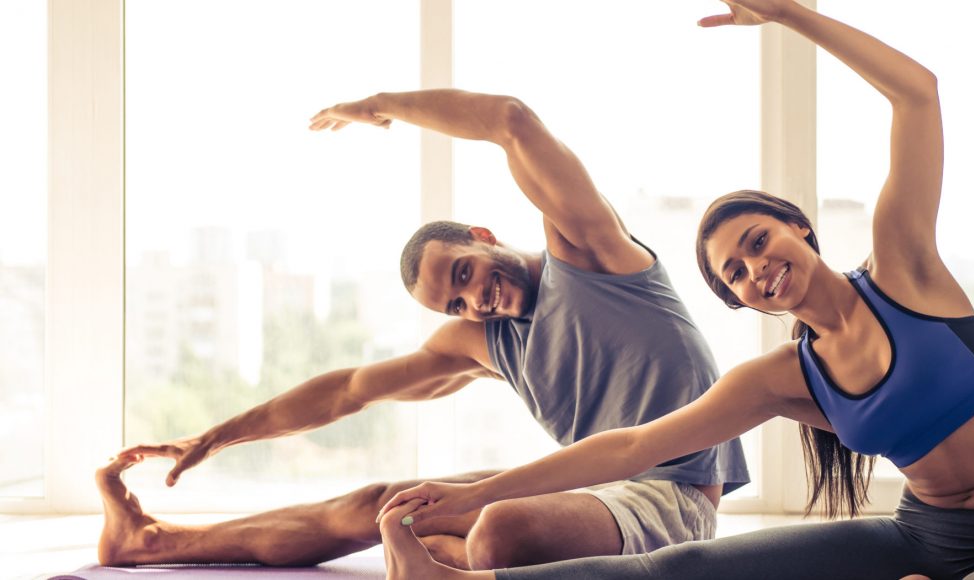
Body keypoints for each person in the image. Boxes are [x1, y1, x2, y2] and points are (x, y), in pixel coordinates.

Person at [374, 1, 974, 579]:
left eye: (758, 241)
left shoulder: (907, 270)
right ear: (746, 303)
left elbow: (917, 95)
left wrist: (789, 13)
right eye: (735, 274)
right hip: (917, 538)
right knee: (682, 567)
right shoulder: (787, 377)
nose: (755, 268)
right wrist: (472, 498)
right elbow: (630, 447)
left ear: (798, 226)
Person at [94, 82, 750, 569]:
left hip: (672, 495)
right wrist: (215, 437)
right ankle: (153, 542)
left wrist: (380, 104)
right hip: (585, 486)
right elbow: (350, 389)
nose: (475, 303)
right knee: (379, 504)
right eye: (454, 305)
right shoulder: (485, 342)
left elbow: (511, 120)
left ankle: (436, 559)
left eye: (464, 274)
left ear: (483, 237)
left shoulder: (590, 254)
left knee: (499, 528)